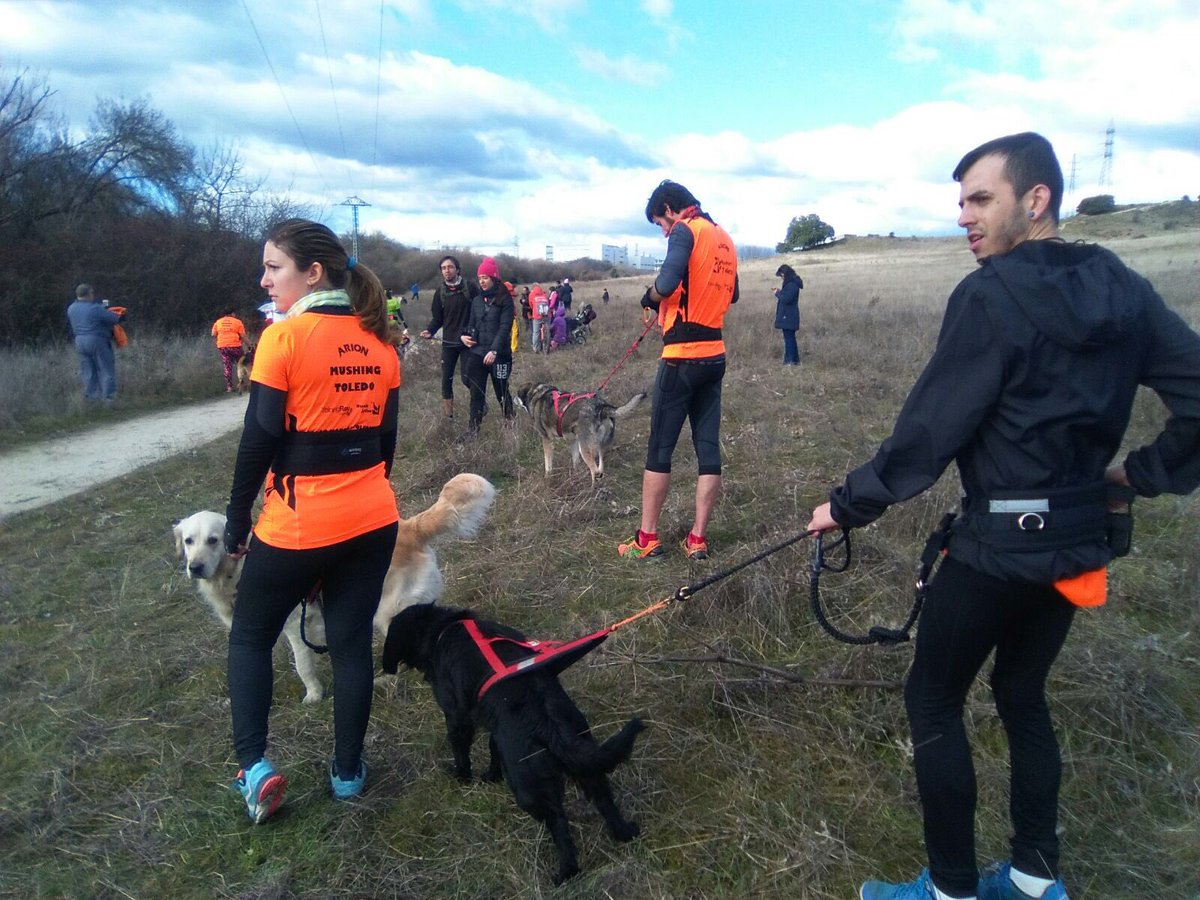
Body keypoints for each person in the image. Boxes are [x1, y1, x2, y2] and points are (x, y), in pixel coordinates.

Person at [805, 133, 1200, 900]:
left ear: (1036, 200)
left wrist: (847, 506)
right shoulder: (1123, 286)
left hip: (995, 550)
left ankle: (951, 889)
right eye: (960, 202)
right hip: (1080, 542)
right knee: (1022, 695)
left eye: (980, 198)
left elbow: (929, 432)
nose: (964, 217)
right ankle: (1032, 879)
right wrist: (1131, 478)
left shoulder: (987, 295)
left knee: (932, 699)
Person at [222, 218, 401, 823]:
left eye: (274, 267)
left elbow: (258, 440)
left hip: (300, 524)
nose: (264, 279)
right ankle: (348, 773)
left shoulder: (283, 339)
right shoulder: (382, 342)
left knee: (250, 633)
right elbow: (386, 445)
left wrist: (237, 517)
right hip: (373, 518)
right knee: (351, 646)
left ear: (313, 272)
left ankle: (255, 769)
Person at [618, 180, 739, 561]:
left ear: (670, 209)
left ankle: (646, 539)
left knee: (660, 449)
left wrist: (649, 297)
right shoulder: (724, 238)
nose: (664, 231)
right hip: (715, 355)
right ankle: (697, 540)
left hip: (681, 357)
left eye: (659, 224)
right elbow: (732, 293)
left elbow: (668, 282)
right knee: (707, 449)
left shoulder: (685, 230)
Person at [460, 257, 516, 436]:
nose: (482, 281)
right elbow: (471, 323)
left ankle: (510, 421)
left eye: (485, 277)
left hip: (499, 355)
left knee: (501, 390)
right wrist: (465, 336)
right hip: (477, 353)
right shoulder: (476, 301)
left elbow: (505, 327)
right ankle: (473, 431)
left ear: (494, 278)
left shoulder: (505, 299)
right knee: (476, 394)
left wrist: (494, 350)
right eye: (480, 278)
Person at [420, 255, 479, 420]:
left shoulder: (471, 287)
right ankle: (449, 417)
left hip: (468, 341)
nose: (447, 270)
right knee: (446, 380)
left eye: (450, 267)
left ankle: (479, 407)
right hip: (448, 342)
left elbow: (480, 312)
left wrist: (474, 333)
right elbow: (438, 319)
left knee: (468, 378)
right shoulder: (440, 292)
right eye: (444, 268)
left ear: (457, 269)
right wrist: (430, 331)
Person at [66, 283, 123, 402]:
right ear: (89, 294)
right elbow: (115, 319)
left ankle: (92, 399)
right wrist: (109, 310)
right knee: (106, 368)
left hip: (79, 341)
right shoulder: (95, 308)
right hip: (96, 339)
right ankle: (109, 398)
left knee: (88, 371)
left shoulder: (71, 308)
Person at [211, 307, 248, 393]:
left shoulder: (218, 322)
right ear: (232, 314)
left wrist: (218, 343)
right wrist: (249, 344)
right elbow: (243, 336)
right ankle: (242, 384)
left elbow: (213, 334)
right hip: (236, 346)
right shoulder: (237, 322)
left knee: (227, 366)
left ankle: (229, 387)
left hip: (223, 347)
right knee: (241, 364)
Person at [773, 264, 803, 366]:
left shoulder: (791, 284)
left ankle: (789, 361)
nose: (782, 278)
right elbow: (787, 295)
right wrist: (781, 292)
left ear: (785, 274)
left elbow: (787, 298)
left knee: (789, 339)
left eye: (782, 276)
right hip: (790, 315)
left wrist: (777, 293)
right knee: (790, 338)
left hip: (789, 316)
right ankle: (795, 360)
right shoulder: (793, 283)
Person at [529, 283, 550, 353]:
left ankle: (536, 348)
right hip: (547, 315)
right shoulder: (544, 294)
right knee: (547, 329)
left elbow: (531, 305)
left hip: (537, 316)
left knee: (536, 332)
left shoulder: (531, 295)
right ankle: (547, 343)